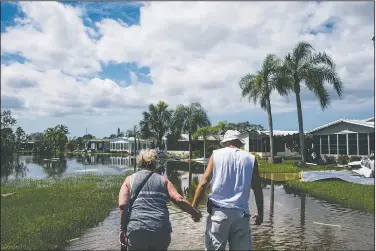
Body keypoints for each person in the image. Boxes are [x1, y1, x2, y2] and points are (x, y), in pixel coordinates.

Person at [191, 130, 264, 251]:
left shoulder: (216, 154)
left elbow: (204, 182)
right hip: (242, 215)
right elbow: (257, 188)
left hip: (219, 214)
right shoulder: (251, 159)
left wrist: (194, 208)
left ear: (225, 142)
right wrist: (260, 213)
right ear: (240, 143)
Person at [118, 149, 202, 250]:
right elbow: (179, 200)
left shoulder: (129, 180)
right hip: (160, 229)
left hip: (137, 229)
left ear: (140, 162)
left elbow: (123, 205)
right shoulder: (164, 180)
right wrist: (195, 214)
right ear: (155, 163)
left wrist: (122, 229)